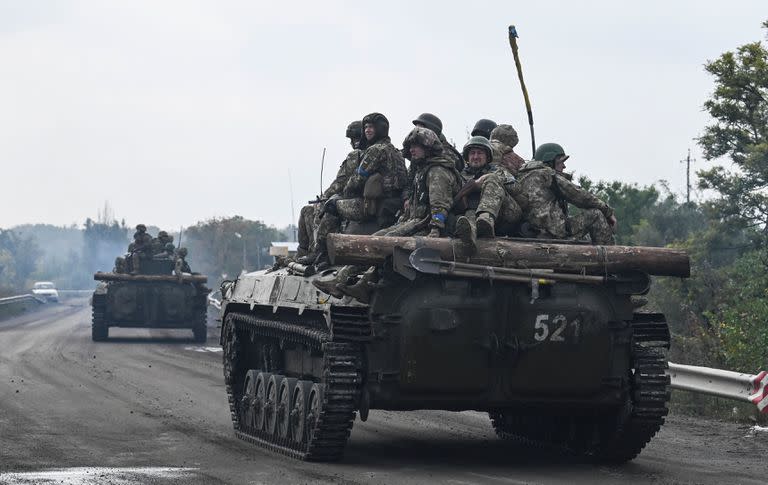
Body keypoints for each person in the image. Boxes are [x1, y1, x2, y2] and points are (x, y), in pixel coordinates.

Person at [314, 127, 462, 302]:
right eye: (411, 146)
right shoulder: (422, 170)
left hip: (426, 224)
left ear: (428, 147)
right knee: (377, 239)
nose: (412, 150)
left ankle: (359, 282)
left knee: (381, 242)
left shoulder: (437, 171)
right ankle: (344, 280)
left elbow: (439, 205)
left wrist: (435, 231)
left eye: (417, 146)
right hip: (413, 220)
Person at [313, 112, 407, 265]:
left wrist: (342, 196)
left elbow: (356, 180)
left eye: (371, 127)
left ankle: (321, 254)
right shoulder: (396, 152)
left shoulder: (375, 150)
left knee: (332, 206)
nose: (367, 130)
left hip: (372, 206)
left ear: (380, 129)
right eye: (366, 127)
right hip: (392, 205)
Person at [517, 143, 616, 244]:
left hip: (534, 231)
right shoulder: (547, 174)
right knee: (596, 214)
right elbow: (579, 195)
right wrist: (608, 211)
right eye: (561, 162)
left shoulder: (523, 177)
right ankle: (611, 256)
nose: (564, 166)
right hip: (554, 231)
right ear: (550, 161)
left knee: (585, 236)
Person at [297, 121, 363, 261]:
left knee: (316, 210)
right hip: (358, 201)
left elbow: (340, 182)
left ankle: (315, 251)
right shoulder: (373, 153)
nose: (353, 142)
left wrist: (325, 197)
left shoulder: (356, 155)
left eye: (354, 139)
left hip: (354, 203)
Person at [453, 136, 497, 251]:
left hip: (500, 212)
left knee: (491, 178)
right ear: (467, 157)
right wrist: (472, 185)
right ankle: (470, 236)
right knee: (468, 217)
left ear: (487, 157)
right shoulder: (459, 176)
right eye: (472, 153)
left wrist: (489, 180)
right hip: (472, 211)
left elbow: (516, 188)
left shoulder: (498, 171)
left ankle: (486, 218)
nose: (476, 157)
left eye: (480, 153)